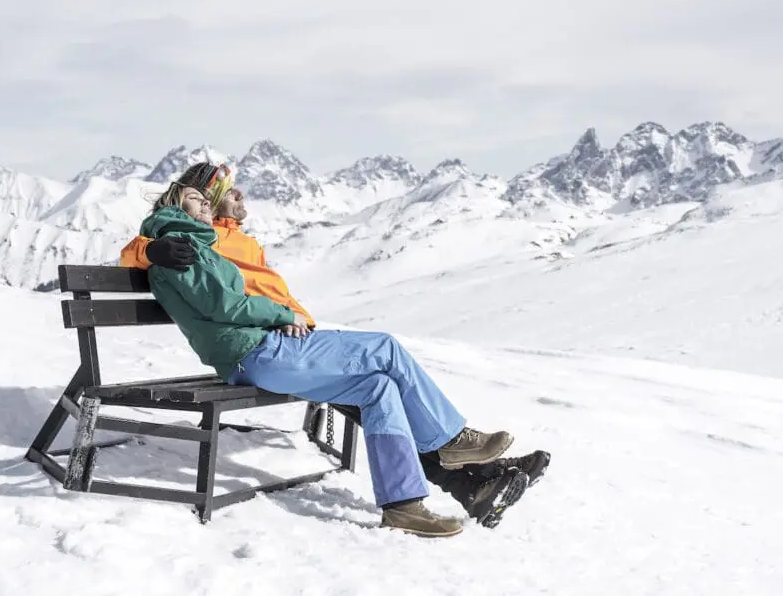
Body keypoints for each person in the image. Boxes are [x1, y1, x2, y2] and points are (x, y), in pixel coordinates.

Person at [125, 163, 549, 534]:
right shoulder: (198, 241)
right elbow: (175, 268)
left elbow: (233, 287)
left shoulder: (226, 240)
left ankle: (406, 503)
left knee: (380, 388)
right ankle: (458, 447)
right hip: (259, 347)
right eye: (220, 193)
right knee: (385, 349)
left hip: (281, 340)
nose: (238, 196)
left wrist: (294, 319)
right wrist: (151, 247)